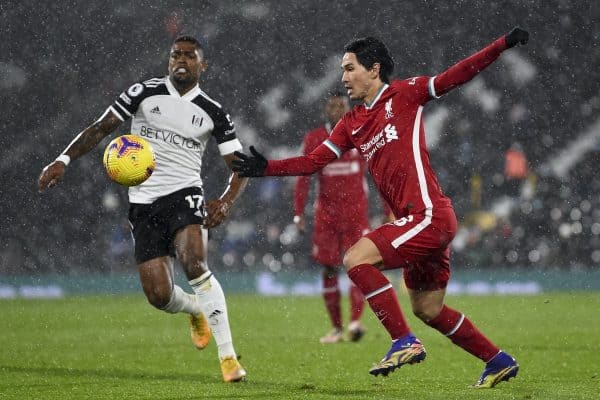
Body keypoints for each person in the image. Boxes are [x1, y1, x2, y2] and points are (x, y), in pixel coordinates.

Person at [232, 27, 529, 388]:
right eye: (343, 70)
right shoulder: (352, 123)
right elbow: (314, 162)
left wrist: (502, 45)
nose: (343, 77)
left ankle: (403, 341)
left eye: (350, 68)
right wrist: (265, 169)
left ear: (374, 69)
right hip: (418, 221)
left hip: (429, 215)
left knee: (355, 258)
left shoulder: (406, 93)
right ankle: (497, 360)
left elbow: (458, 74)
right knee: (427, 309)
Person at [38, 35, 248, 383]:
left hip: (185, 193)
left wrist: (225, 202)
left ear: (202, 65)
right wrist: (63, 159)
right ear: (168, 61)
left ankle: (228, 358)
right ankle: (195, 308)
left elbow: (240, 165)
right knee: (159, 295)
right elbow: (100, 127)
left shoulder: (213, 111)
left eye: (189, 56)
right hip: (143, 202)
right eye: (175, 55)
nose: (181, 60)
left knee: (195, 263)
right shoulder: (142, 92)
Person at [293, 92, 369, 344]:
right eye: (332, 106)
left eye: (342, 105)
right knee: (329, 268)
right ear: (326, 109)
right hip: (327, 217)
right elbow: (304, 176)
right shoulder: (315, 138)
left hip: (356, 215)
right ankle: (336, 328)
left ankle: (356, 322)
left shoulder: (360, 133)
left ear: (348, 108)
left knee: (358, 266)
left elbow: (380, 170)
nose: (337, 109)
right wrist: (298, 212)